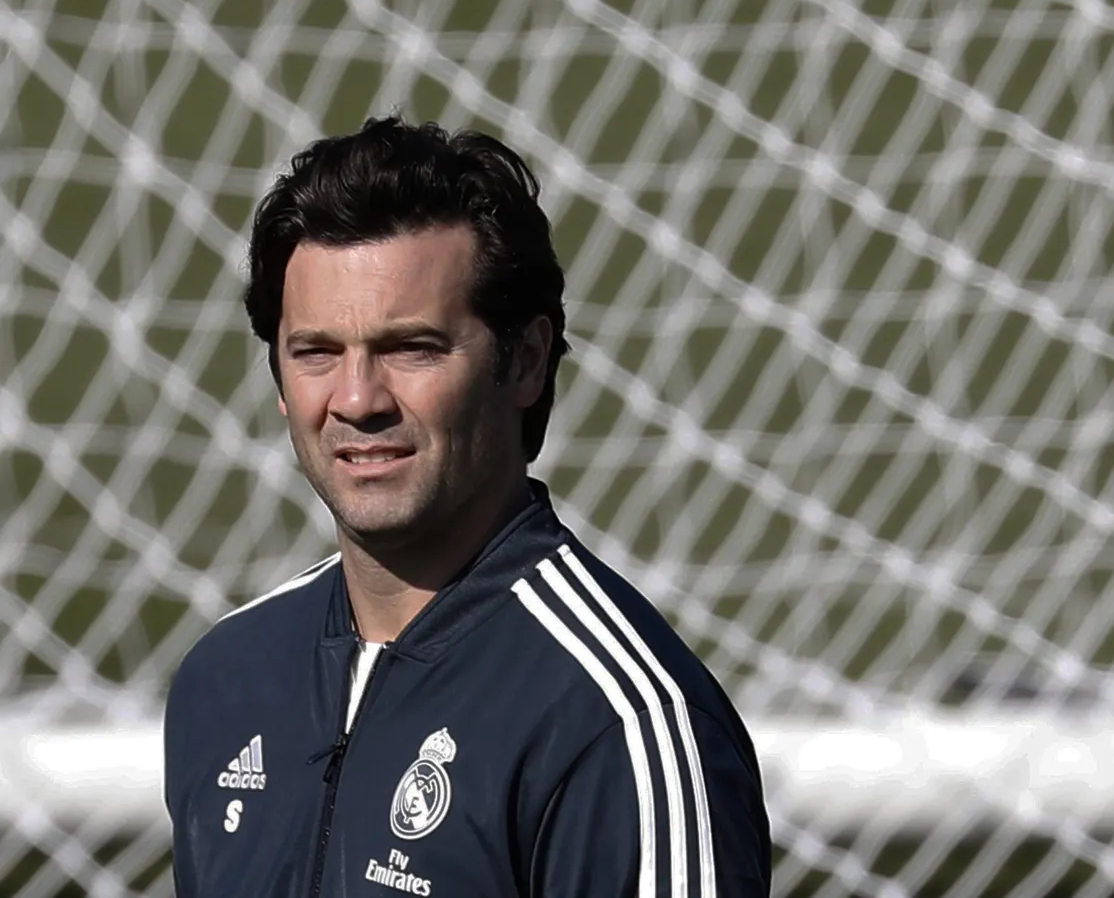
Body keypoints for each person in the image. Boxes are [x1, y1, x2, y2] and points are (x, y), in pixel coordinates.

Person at [162, 115, 771, 898]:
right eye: (316, 352)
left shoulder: (615, 721)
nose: (356, 399)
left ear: (524, 360)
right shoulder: (227, 678)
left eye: (411, 348)